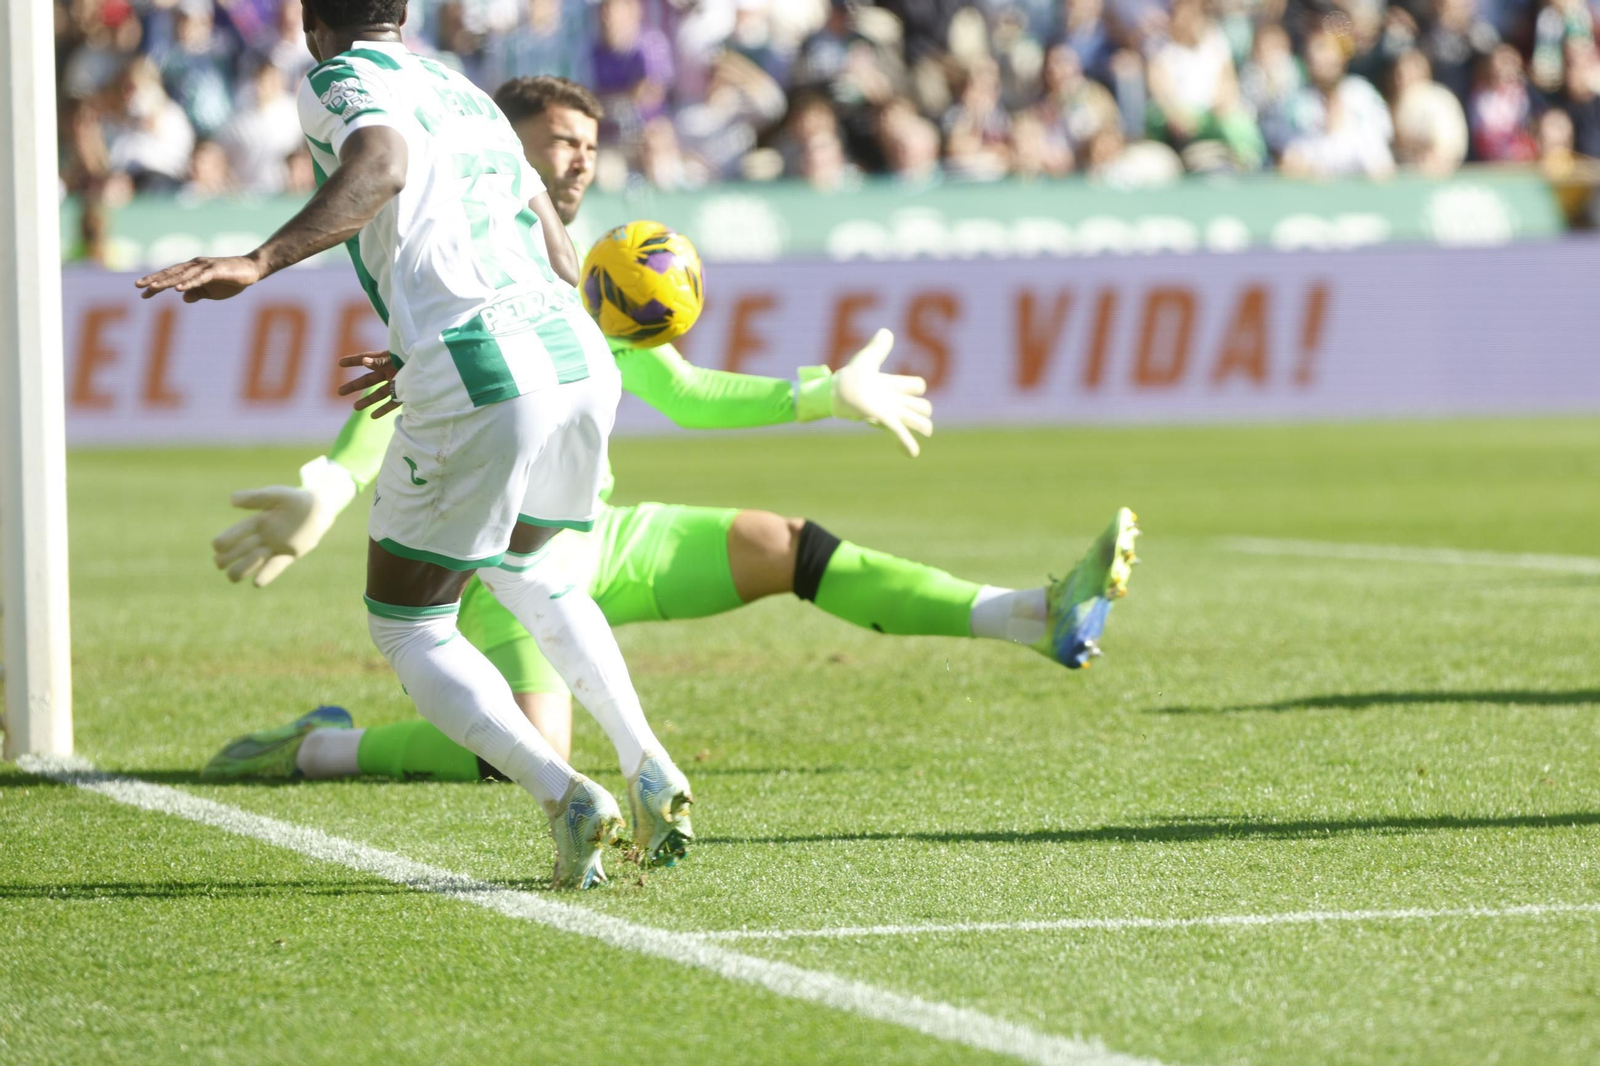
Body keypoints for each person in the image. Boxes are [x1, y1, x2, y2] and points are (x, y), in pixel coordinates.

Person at [201, 75, 1140, 791]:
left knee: (786, 545)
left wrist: (821, 393)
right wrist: (328, 483)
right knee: (526, 748)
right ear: (497, 141)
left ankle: (1033, 615)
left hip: (595, 536)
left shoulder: (575, 268)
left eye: (590, 147)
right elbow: (410, 396)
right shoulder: (457, 259)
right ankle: (318, 747)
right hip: (498, 561)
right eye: (561, 141)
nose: (579, 161)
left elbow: (682, 393)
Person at [136, 1, 690, 890]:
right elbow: (553, 238)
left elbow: (382, 163)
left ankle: (563, 792)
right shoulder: (461, 89)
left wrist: (261, 260)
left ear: (316, 25)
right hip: (574, 350)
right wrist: (435, 345)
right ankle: (649, 760)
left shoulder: (339, 78)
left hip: (482, 360)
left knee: (408, 624)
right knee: (538, 572)